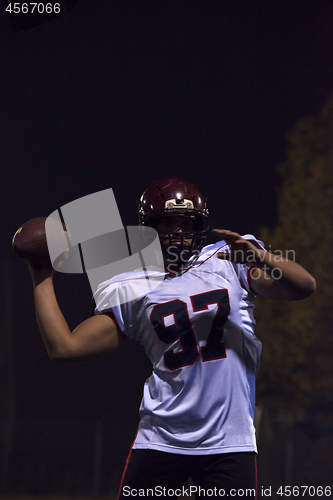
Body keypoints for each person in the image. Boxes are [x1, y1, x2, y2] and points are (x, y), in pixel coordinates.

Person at [28, 177, 316, 499]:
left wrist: (259, 257)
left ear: (200, 225)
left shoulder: (228, 262)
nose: (178, 232)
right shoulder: (133, 286)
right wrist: (42, 278)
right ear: (149, 228)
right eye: (167, 223)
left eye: (186, 222)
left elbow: (304, 286)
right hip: (161, 438)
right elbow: (64, 348)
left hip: (229, 441)